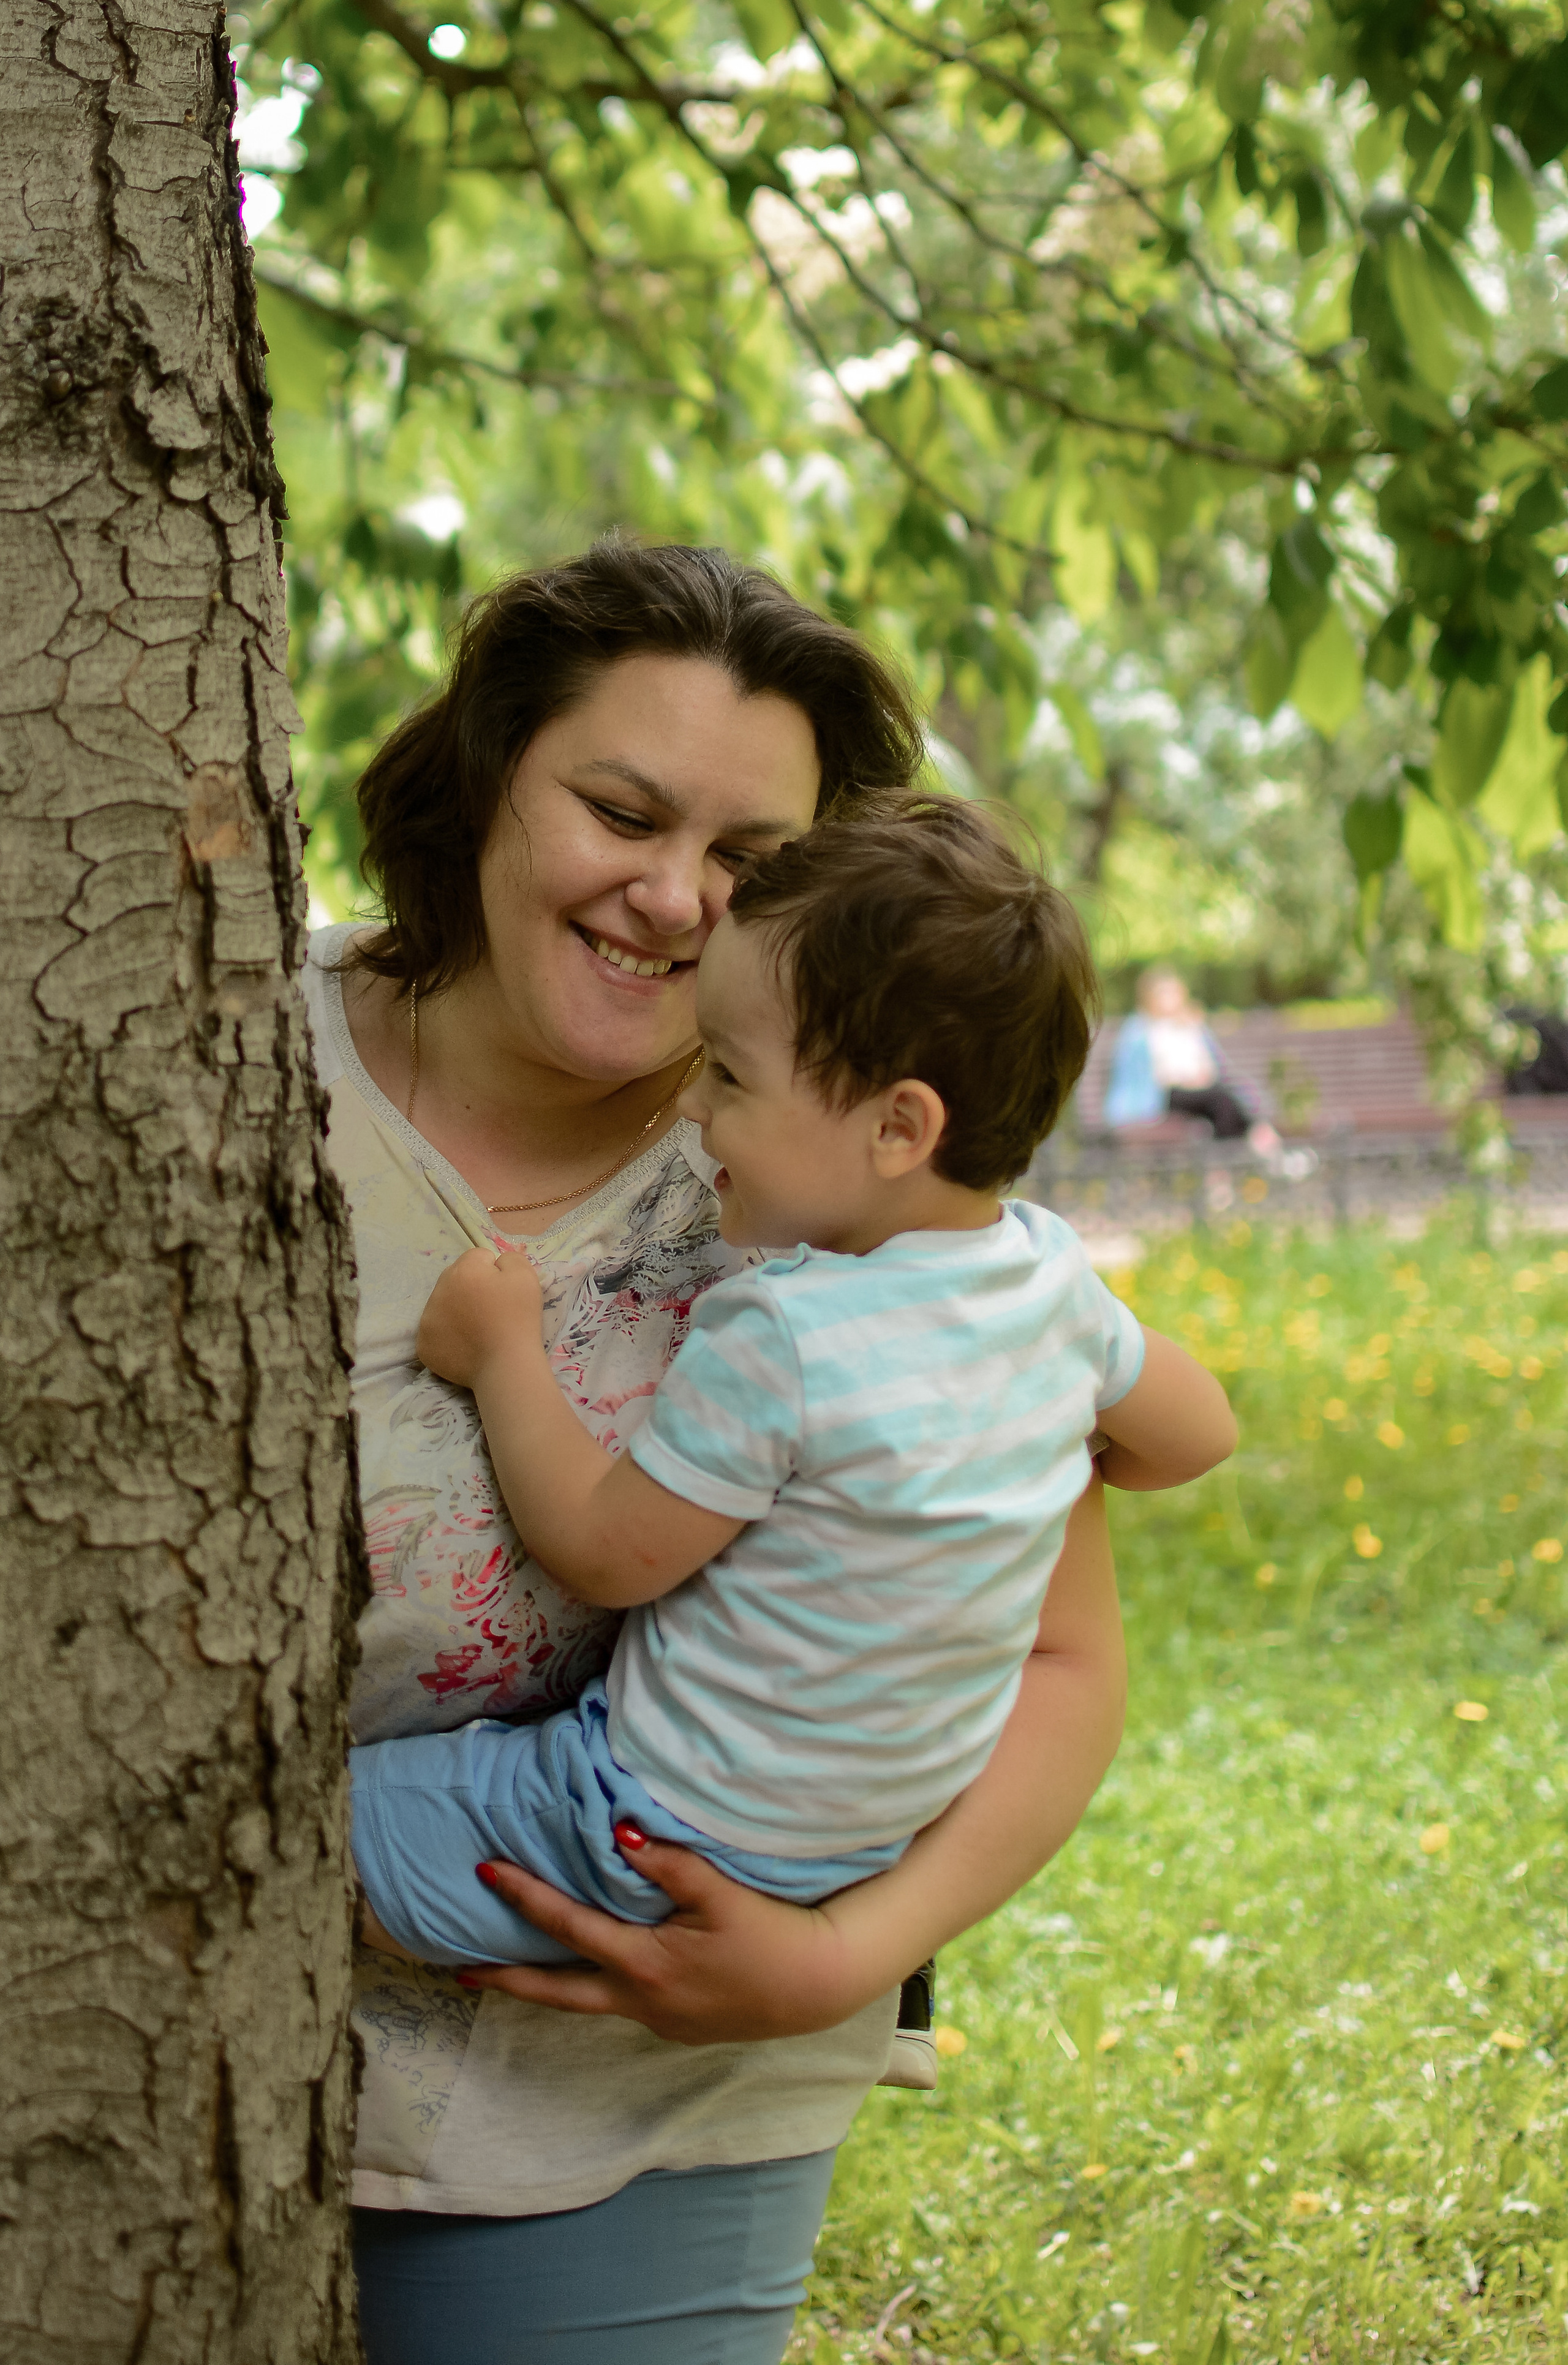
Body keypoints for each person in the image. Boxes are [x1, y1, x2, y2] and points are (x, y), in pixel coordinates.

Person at [308, 540, 1134, 2365]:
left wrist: (844, 1955)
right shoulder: (196, 1050)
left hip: (636, 2115)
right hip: (118, 2045)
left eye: (749, 861)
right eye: (619, 812)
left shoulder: (864, 1207)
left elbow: (1065, 1662)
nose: (674, 897)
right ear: (486, 780)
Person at [350, 798, 1237, 1974]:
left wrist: (504, 1352)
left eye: (730, 1073)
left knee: (290, 1826)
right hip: (853, 1847)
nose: (696, 1104)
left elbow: (610, 1552)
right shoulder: (1051, 1285)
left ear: (898, 1127)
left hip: (643, 1825)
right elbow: (1199, 1435)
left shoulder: (784, 1333)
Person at [1103, 965, 1316, 1177]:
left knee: (1225, 1106)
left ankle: (1226, 1170)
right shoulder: (1140, 1031)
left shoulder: (1192, 1026)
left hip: (1204, 1092)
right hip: (1165, 1096)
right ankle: (1266, 1155)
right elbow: (1144, 1077)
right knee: (1222, 1099)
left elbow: (1214, 1065)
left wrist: (1200, 1072)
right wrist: (1186, 1079)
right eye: (1164, 994)